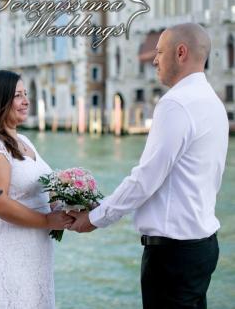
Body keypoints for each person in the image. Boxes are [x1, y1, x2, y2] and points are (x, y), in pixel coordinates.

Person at [68, 23, 229, 308]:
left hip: (173, 255)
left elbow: (145, 179)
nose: (154, 60)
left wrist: (95, 218)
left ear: (180, 53)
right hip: (202, 246)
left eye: (159, 52)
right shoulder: (213, 102)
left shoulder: (175, 104)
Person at [0, 70, 73, 309]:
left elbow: (42, 186)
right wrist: (47, 221)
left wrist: (67, 203)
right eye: (18, 95)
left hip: (35, 250)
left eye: (26, 94)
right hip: (7, 251)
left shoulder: (24, 141)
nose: (26, 100)